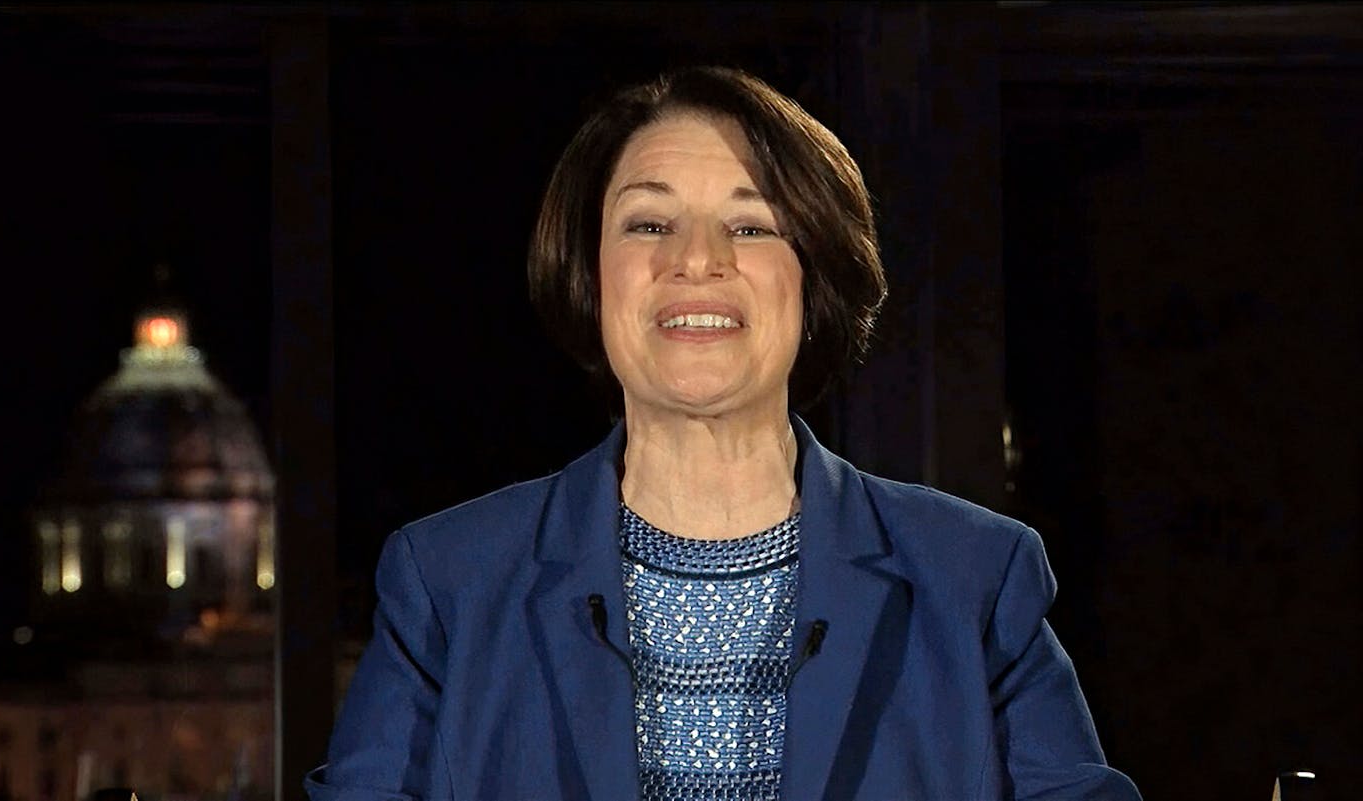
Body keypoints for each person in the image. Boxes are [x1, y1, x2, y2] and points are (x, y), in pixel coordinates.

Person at [306, 66, 1140, 801]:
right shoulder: (448, 584)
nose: (696, 259)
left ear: (813, 280)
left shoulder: (975, 580)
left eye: (750, 226)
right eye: (647, 224)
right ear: (589, 274)